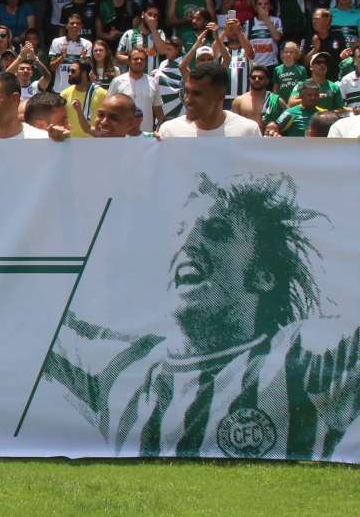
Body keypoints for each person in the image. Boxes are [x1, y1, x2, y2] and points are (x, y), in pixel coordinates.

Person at [47, 172, 360, 458]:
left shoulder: (304, 358)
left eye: (217, 230)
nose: (188, 243)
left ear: (263, 274)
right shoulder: (119, 366)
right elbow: (26, 313)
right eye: (181, 230)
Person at [158, 56, 262, 137]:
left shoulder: (248, 131)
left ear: (220, 96)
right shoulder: (169, 132)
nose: (187, 100)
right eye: (187, 92)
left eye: (197, 94)